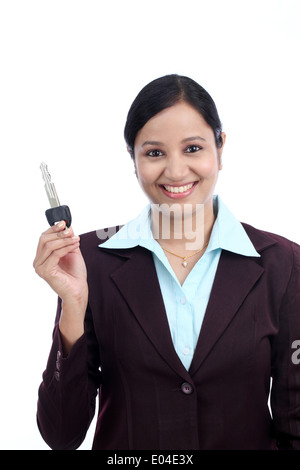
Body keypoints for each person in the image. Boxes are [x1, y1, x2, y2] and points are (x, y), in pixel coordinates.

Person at [33, 74, 300, 450]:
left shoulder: (282, 264)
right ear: (133, 158)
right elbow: (62, 435)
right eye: (154, 153)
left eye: (193, 148)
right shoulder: (89, 260)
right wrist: (73, 308)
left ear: (220, 149)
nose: (175, 172)